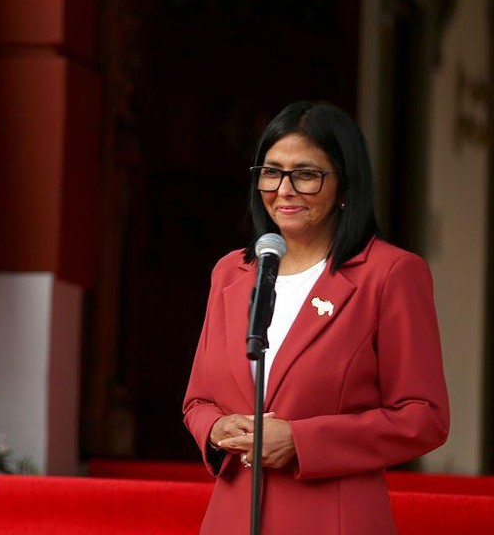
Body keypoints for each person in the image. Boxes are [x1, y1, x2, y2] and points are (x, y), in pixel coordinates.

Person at [183, 101, 449, 534]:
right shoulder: (230, 271)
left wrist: (302, 442)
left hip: (332, 519)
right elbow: (197, 401)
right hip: (232, 517)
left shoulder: (391, 273)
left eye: (305, 174)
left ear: (345, 185)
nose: (284, 189)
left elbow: (423, 417)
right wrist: (216, 428)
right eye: (271, 172)